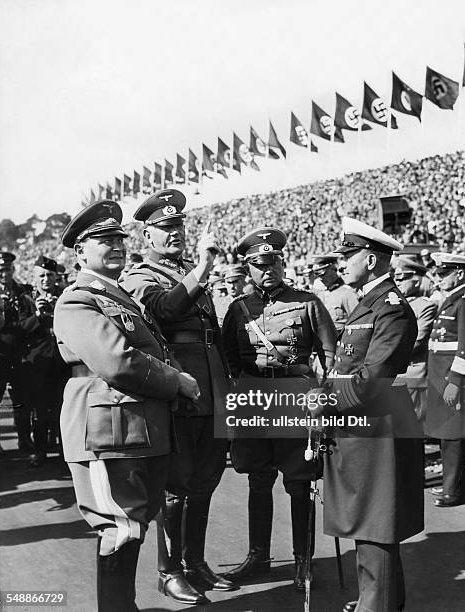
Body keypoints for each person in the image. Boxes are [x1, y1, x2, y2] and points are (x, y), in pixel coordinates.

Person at [53, 200, 200, 612]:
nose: (116, 245)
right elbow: (118, 361)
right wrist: (178, 382)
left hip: (139, 429)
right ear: (81, 252)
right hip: (108, 430)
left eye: (119, 238)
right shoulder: (77, 300)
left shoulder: (119, 296)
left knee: (134, 525)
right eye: (104, 240)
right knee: (119, 527)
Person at [121, 189, 233, 605]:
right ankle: (168, 571)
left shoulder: (188, 270)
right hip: (180, 387)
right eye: (166, 229)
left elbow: (212, 330)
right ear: (147, 235)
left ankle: (195, 561)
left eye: (179, 227)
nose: (176, 234)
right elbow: (165, 312)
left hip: (210, 383)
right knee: (176, 486)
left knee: (205, 479)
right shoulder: (139, 275)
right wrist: (202, 268)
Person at [307, 217, 424, 612]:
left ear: (371, 260)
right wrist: (323, 391)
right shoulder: (367, 304)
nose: (341, 263)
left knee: (375, 524)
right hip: (358, 426)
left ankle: (379, 604)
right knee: (366, 522)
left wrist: (328, 400)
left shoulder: (391, 309)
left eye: (348, 254)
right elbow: (346, 368)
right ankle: (379, 599)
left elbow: (372, 379)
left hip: (377, 428)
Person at [221, 227, 336, 591]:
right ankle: (259, 557)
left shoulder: (307, 302)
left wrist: (322, 393)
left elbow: (330, 355)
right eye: (258, 264)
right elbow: (227, 359)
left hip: (295, 396)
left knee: (299, 483)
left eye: (273, 262)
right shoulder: (238, 309)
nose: (267, 270)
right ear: (248, 267)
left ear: (282, 262)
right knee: (258, 479)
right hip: (255, 399)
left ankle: (303, 561)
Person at [21, 255, 69, 466]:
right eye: (41, 276)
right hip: (38, 365)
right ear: (34, 277)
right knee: (40, 411)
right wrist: (38, 314)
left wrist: (59, 307)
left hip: (62, 362)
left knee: (64, 410)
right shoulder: (26, 299)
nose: (45, 280)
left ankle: (64, 452)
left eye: (49, 275)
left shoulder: (66, 296)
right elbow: (20, 329)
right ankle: (40, 451)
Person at [425, 252, 465, 507]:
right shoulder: (452, 299)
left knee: (453, 436)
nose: (439, 279)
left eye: (444, 273)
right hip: (441, 375)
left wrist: (455, 381)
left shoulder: (462, 301)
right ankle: (451, 485)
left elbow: (464, 347)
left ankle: (454, 490)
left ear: (459, 273)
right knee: (447, 436)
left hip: (452, 377)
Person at [394, 257, 438, 424]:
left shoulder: (425, 306)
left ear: (417, 282)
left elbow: (417, 341)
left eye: (403, 279)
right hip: (391, 373)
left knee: (412, 426)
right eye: (396, 278)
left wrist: (386, 354)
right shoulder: (393, 303)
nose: (398, 282)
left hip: (411, 372)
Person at [0, 251, 34, 455]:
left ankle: (24, 439)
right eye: (0, 270)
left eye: (7, 270)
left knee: (22, 400)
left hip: (19, 354)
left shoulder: (21, 291)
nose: (4, 274)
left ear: (13, 270)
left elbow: (28, 318)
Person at [309, 254, 359, 332]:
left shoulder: (347, 292)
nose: (321, 279)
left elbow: (358, 322)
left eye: (323, 274)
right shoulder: (321, 293)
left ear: (333, 268)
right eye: (318, 276)